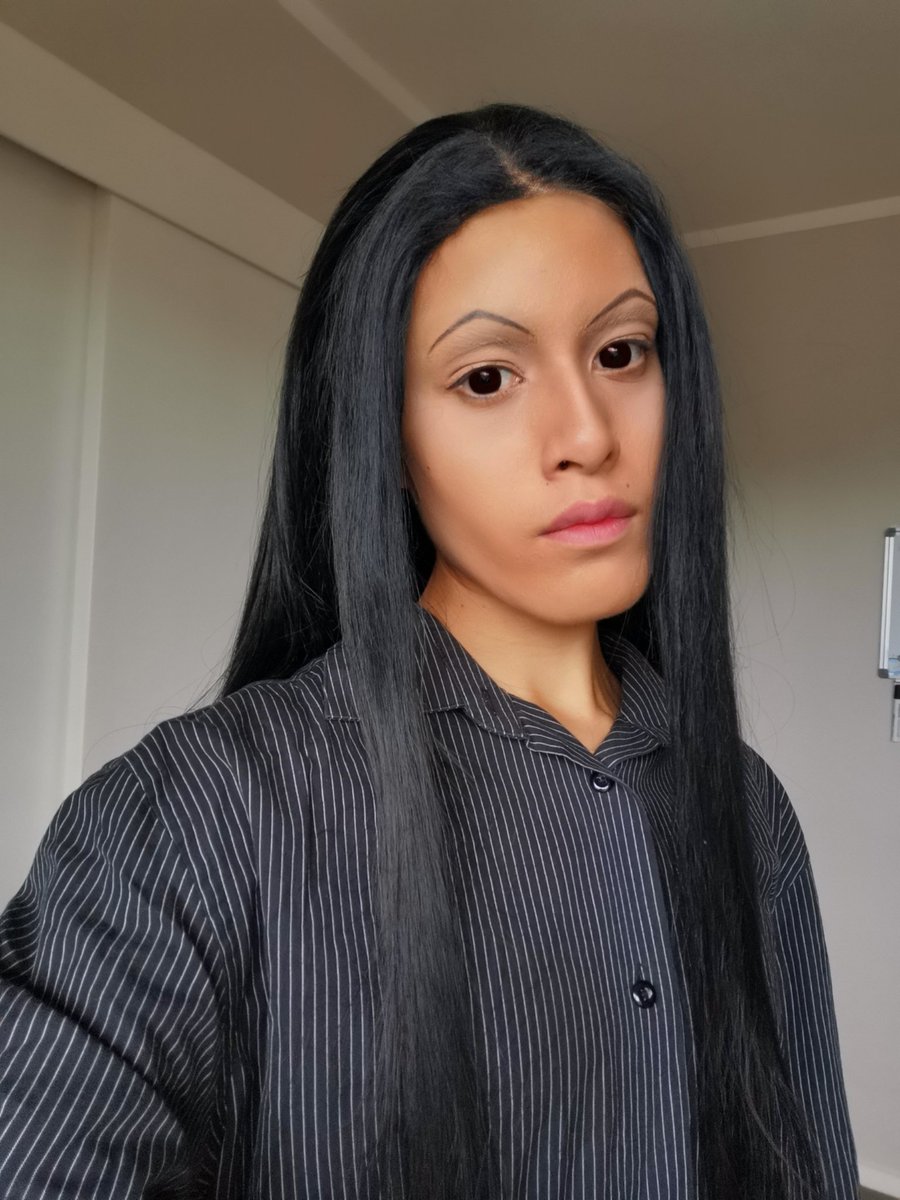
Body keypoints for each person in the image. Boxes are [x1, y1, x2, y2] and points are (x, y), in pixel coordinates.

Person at [0, 103, 858, 1200]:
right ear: (385, 435)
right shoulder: (199, 816)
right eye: (488, 377)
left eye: (621, 352)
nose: (590, 435)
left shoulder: (749, 809)